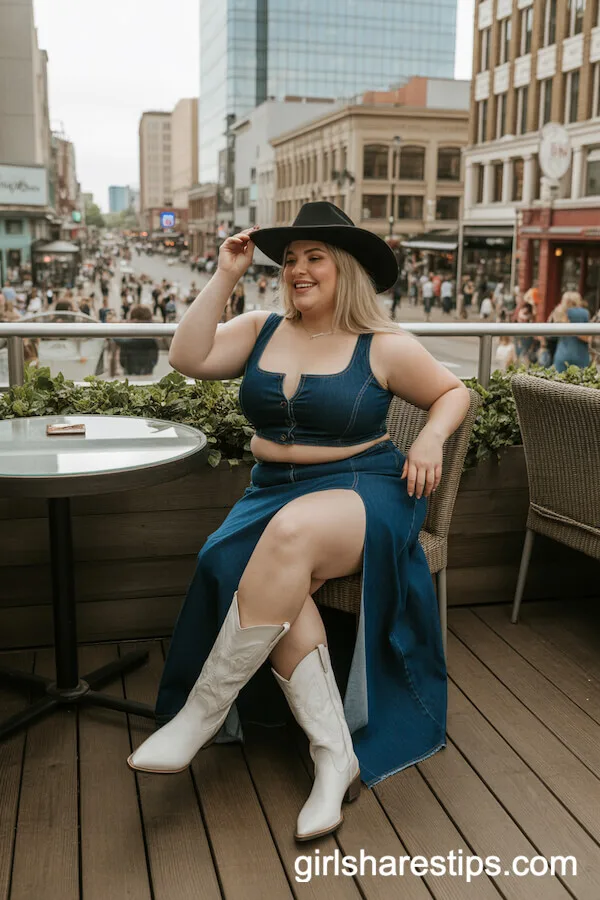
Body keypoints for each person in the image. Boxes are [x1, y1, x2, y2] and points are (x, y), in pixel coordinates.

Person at [127, 201, 471, 842]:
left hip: (363, 489)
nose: (298, 270)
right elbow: (187, 355)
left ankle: (202, 712)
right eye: (289, 259)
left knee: (287, 540)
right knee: (264, 570)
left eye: (315, 257)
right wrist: (227, 272)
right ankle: (332, 755)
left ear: (344, 269)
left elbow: (457, 391)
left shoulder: (383, 343)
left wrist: (430, 439)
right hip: (271, 491)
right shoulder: (260, 327)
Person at [112, 304, 160, 376]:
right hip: (145, 369)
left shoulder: (143, 335)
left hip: (136, 370)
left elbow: (121, 341)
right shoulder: (150, 332)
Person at [552, 291, 592, 373]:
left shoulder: (558, 312)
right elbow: (588, 337)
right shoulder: (584, 313)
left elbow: (552, 335)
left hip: (562, 354)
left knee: (558, 383)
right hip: (580, 355)